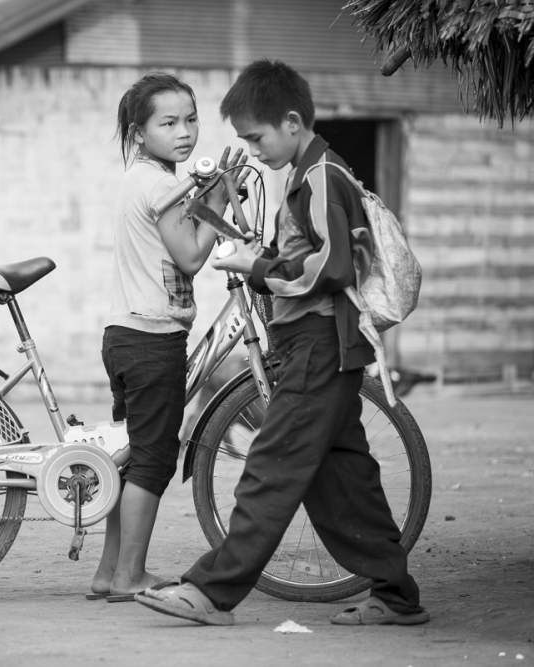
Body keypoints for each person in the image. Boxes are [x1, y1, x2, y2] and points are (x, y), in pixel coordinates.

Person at [135, 60, 429, 626]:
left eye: (256, 136)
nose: (252, 147)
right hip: (321, 346)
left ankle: (210, 592)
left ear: (292, 123)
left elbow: (332, 265)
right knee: (342, 481)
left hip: (319, 345)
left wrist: (257, 265)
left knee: (270, 466)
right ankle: (396, 596)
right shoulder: (309, 173)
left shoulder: (320, 177)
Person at [90, 72, 245, 602]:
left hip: (125, 333)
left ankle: (110, 572)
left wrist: (207, 195)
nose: (184, 131)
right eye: (168, 122)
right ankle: (131, 575)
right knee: (154, 460)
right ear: (139, 131)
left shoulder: (145, 178)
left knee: (133, 457)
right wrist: (222, 199)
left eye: (191, 119)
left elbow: (176, 239)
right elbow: (192, 255)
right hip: (150, 338)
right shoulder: (161, 185)